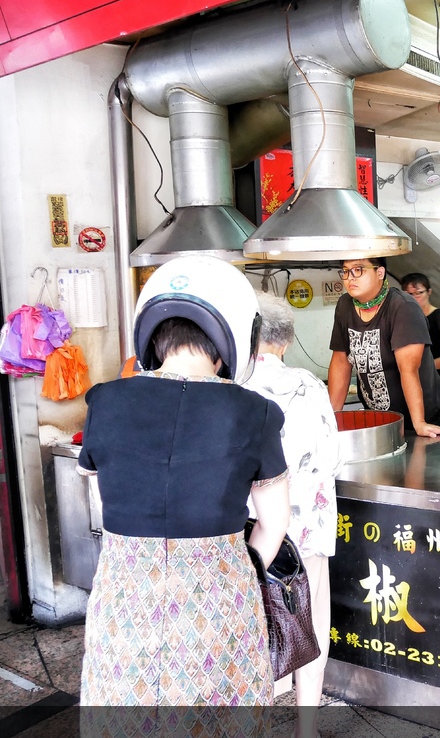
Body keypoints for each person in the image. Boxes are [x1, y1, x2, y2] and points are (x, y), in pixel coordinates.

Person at [76, 255, 290, 736]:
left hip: (126, 594)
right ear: (233, 334)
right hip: (218, 596)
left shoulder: (104, 401)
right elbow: (274, 522)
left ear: (152, 334)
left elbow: (101, 494)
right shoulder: (255, 411)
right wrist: (242, 569)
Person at [244, 292, 341, 738]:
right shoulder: (310, 385)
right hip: (309, 528)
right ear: (285, 342)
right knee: (310, 623)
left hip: (251, 532)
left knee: (250, 626)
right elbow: (332, 457)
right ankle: (308, 726)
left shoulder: (235, 389)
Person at [327, 257, 440, 438]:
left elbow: (408, 370)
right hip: (378, 416)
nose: (350, 278)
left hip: (418, 415)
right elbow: (341, 361)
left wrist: (419, 423)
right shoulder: (344, 306)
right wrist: (331, 418)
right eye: (346, 271)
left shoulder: (403, 307)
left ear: (380, 272)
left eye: (358, 270)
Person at [400, 272, 440, 428]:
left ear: (429, 292)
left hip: (439, 388)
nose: (414, 298)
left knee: (438, 436)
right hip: (415, 387)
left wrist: (423, 367)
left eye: (419, 293)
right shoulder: (407, 319)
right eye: (408, 294)